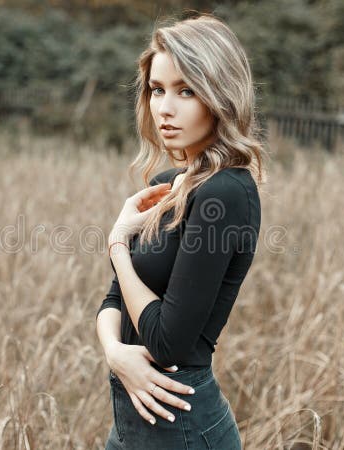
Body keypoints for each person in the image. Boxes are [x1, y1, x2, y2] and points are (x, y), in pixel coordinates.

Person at [95, 12, 267, 450]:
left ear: (220, 96)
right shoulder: (163, 186)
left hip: (182, 428)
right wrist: (116, 355)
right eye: (157, 90)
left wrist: (117, 243)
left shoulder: (225, 193)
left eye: (186, 91)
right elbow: (116, 298)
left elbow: (168, 342)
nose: (164, 108)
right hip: (130, 424)